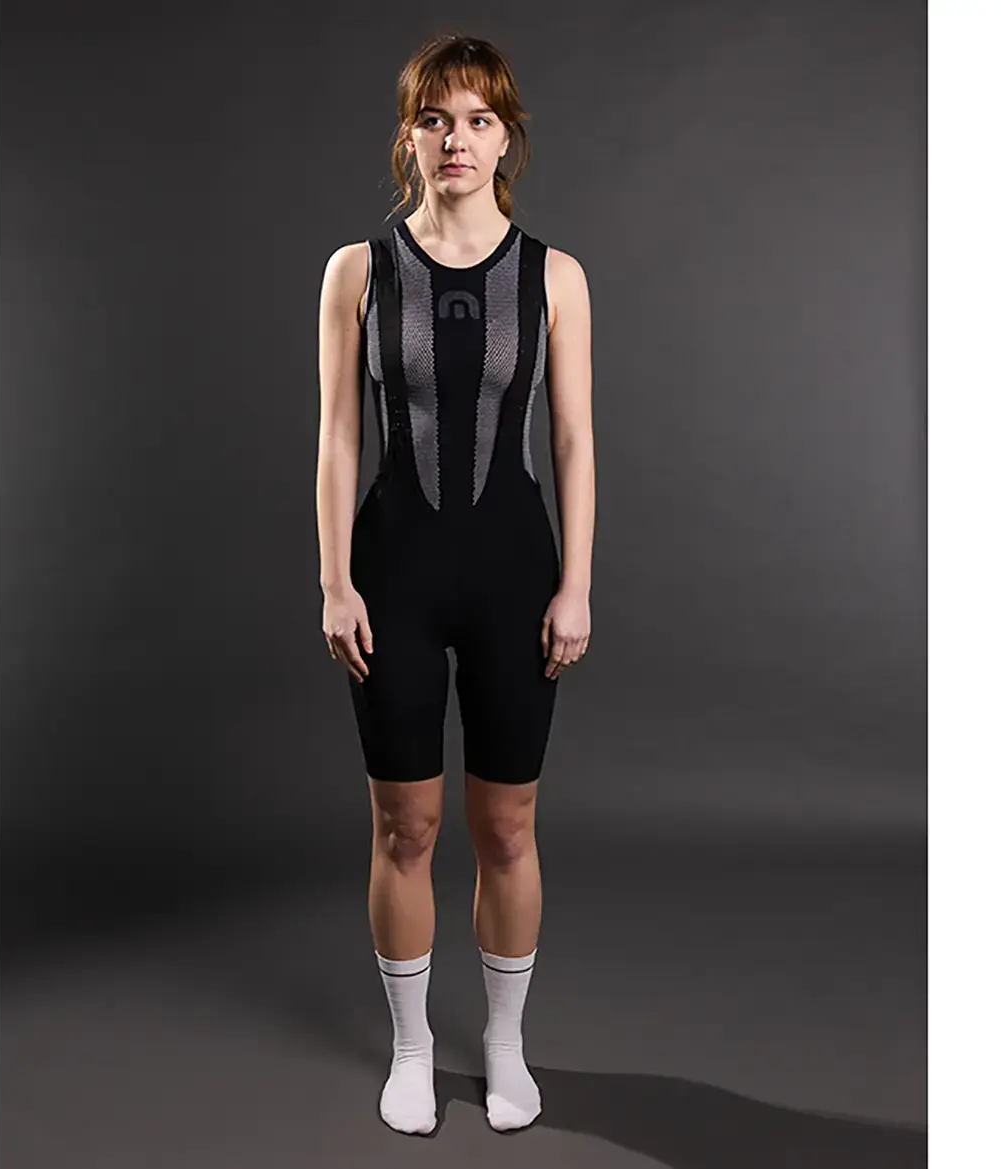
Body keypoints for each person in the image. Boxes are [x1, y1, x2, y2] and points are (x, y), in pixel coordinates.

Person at [315, 32, 595, 1136]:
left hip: (515, 573)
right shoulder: (358, 270)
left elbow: (572, 440)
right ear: (410, 136)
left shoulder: (555, 276)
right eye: (436, 118)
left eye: (479, 119)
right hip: (392, 571)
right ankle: (412, 1047)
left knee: (509, 826)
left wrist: (576, 584)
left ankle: (505, 1042)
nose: (457, 139)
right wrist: (334, 580)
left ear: (506, 139)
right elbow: (340, 437)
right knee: (405, 825)